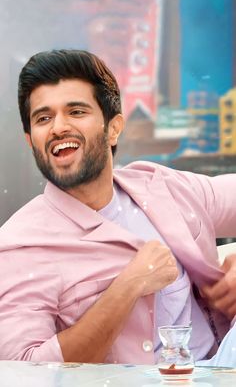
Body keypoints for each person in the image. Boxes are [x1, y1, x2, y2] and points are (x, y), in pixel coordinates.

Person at [0, 49, 236, 365]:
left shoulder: (162, 186)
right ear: (31, 141)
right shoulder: (20, 245)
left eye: (76, 111)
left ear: (113, 128)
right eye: (43, 118)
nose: (58, 127)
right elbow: (23, 371)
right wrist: (127, 287)